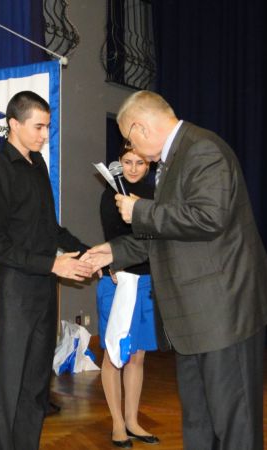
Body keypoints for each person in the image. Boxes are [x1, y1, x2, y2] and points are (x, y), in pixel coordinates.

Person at [83, 91, 267, 450]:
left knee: (234, 426)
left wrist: (140, 211)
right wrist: (113, 251)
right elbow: (170, 233)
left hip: (223, 315)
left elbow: (209, 218)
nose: (132, 148)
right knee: (198, 422)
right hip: (194, 319)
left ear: (140, 127)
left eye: (130, 139)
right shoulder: (176, 158)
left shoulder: (203, 150)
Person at [0, 91, 92, 450]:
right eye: (38, 127)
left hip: (44, 289)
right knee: (9, 386)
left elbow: (50, 229)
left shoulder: (38, 164)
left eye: (47, 127)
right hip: (15, 292)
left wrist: (89, 253)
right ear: (14, 124)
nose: (45, 135)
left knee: (36, 386)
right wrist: (53, 263)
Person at [97, 147, 160, 448]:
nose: (133, 168)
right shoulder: (111, 194)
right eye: (127, 162)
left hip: (147, 281)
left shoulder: (155, 195)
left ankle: (132, 420)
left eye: (140, 162)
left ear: (148, 165)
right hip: (118, 280)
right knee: (115, 355)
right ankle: (117, 424)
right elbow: (116, 237)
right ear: (119, 164)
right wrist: (114, 263)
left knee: (137, 356)